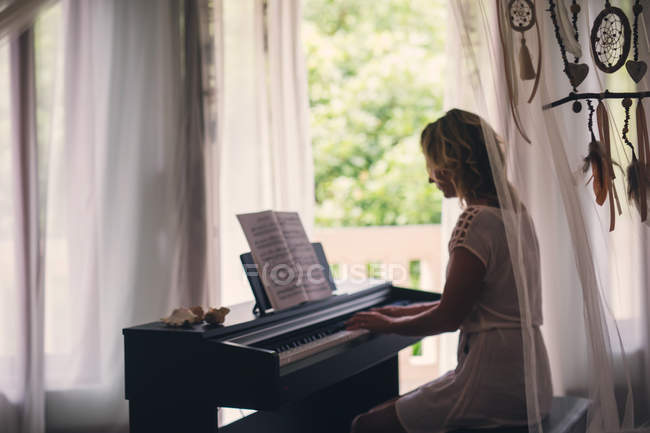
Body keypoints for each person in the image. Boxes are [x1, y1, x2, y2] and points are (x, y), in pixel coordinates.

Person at [345, 109, 553, 433]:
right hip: (528, 376)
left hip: (492, 379)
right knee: (390, 407)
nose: (430, 177)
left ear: (453, 163)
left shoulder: (476, 220)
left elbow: (448, 318)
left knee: (365, 424)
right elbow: (467, 303)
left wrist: (389, 324)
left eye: (432, 164)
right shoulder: (516, 216)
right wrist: (398, 313)